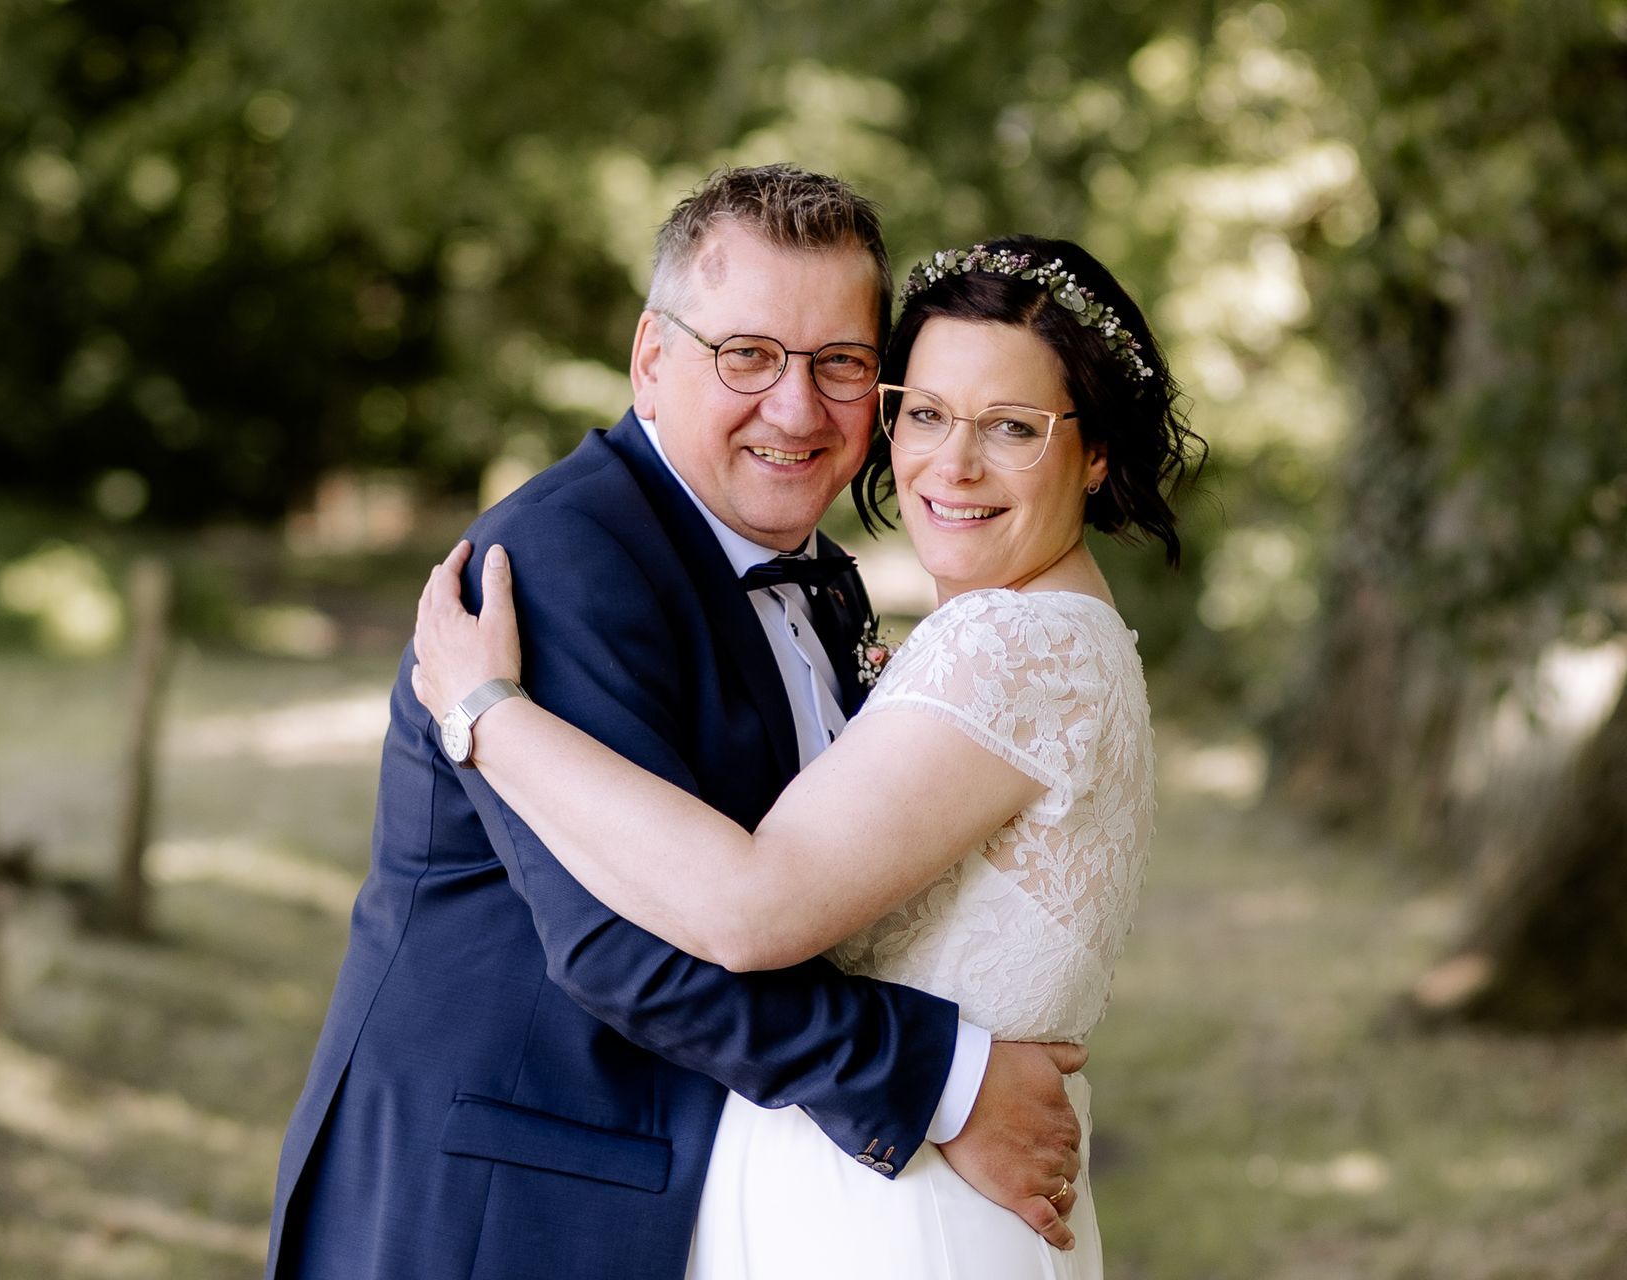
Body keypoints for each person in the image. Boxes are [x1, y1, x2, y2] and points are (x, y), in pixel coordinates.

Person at [265, 168, 1096, 1279]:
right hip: (500, 1203)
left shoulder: (824, 579)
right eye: (746, 355)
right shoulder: (559, 561)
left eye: (840, 364)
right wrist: (945, 1081)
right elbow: (625, 947)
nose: (796, 409)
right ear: (651, 359)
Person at [410, 233, 1201, 1277]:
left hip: (898, 1216)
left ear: (1094, 452)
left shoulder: (1012, 646)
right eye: (925, 413)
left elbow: (752, 909)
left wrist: (485, 712)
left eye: (1012, 427)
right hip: (879, 1190)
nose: (953, 464)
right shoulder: (1040, 630)